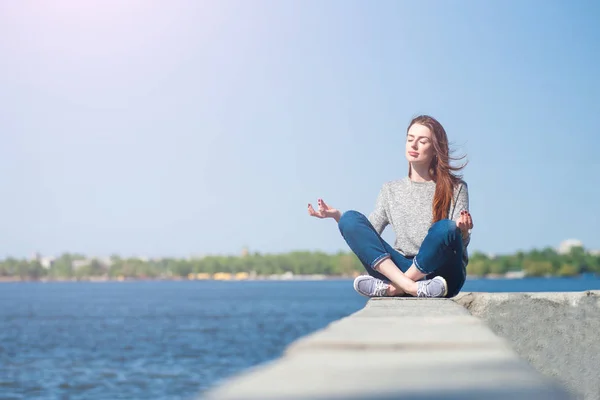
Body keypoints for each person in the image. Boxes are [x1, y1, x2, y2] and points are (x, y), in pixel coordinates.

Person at [308, 115, 473, 298]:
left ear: (435, 149)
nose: (414, 145)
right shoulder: (390, 190)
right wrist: (338, 217)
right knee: (349, 218)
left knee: (446, 227)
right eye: (410, 139)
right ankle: (412, 288)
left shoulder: (456, 188)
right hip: (401, 267)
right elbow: (369, 235)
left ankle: (393, 289)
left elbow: (458, 242)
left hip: (441, 276)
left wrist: (463, 231)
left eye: (422, 141)